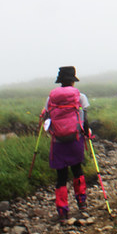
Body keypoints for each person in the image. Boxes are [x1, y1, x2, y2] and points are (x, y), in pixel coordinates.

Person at [40, 66, 91, 221]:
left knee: (61, 176)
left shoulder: (50, 99)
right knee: (77, 169)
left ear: (60, 82)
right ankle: (81, 202)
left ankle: (62, 210)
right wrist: (87, 133)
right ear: (73, 81)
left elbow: (45, 117)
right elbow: (84, 118)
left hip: (58, 141)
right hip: (75, 139)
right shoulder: (80, 96)